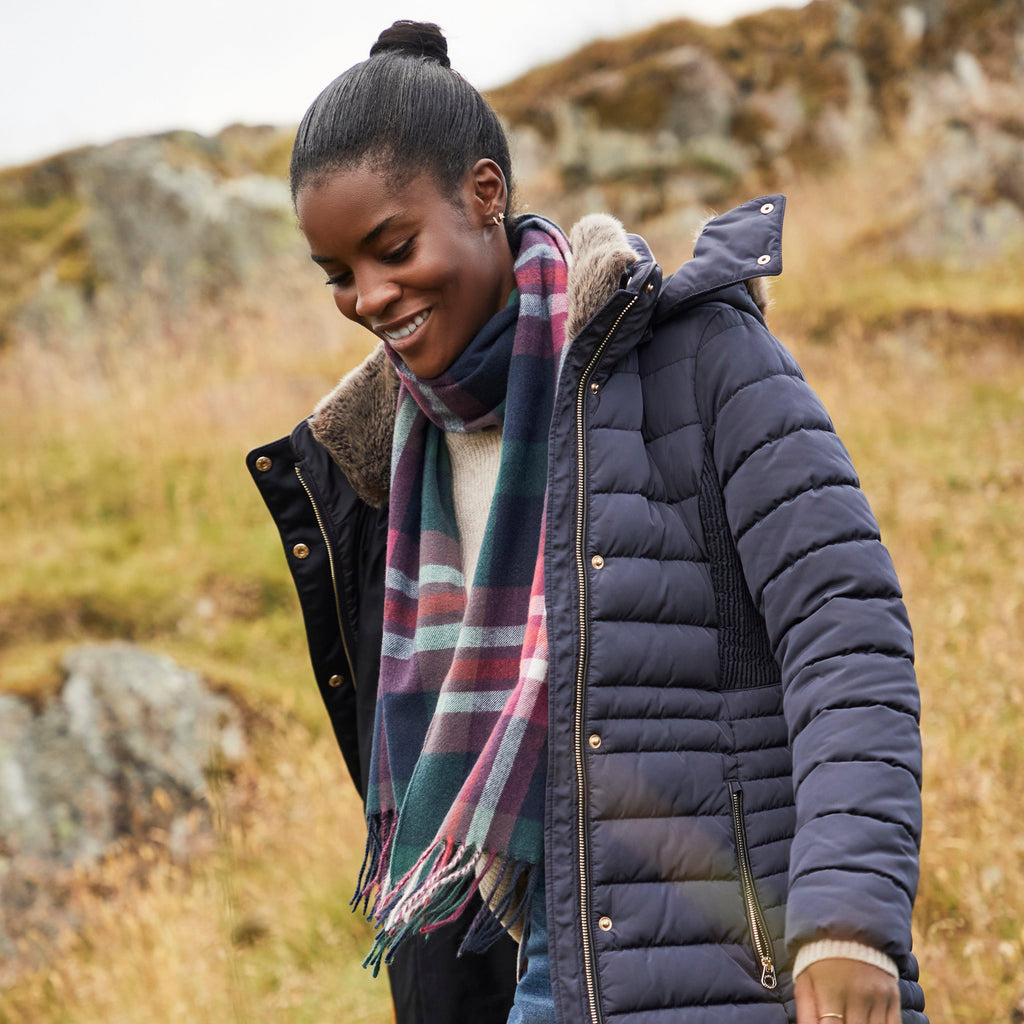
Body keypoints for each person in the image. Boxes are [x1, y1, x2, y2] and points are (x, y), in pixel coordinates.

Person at [248, 20, 927, 1024]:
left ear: (486, 193)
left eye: (392, 248)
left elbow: (845, 631)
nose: (369, 296)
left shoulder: (691, 358)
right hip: (539, 978)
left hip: (742, 970)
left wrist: (848, 915)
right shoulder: (377, 473)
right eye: (340, 273)